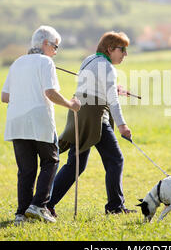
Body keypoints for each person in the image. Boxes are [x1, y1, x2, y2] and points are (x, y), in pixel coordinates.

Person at [47, 31, 136, 216]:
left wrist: (113, 88)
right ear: (110, 49)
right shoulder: (108, 68)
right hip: (93, 115)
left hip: (80, 112)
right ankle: (115, 207)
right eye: (122, 50)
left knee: (76, 164)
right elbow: (113, 101)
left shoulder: (89, 60)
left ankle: (45, 203)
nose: (125, 54)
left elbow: (94, 87)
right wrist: (122, 125)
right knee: (114, 159)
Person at [1, 25, 81, 225]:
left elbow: (5, 96)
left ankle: (22, 214)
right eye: (55, 47)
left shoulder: (17, 62)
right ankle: (38, 206)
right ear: (45, 44)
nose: (55, 51)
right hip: (39, 121)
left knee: (26, 169)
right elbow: (51, 93)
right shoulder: (46, 62)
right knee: (50, 161)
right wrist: (71, 105)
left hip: (16, 122)